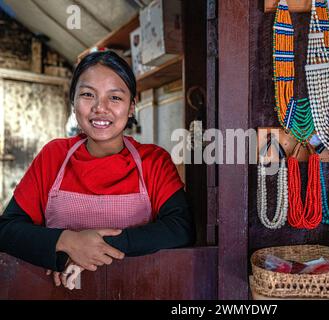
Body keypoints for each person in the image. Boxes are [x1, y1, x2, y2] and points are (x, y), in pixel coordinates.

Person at [0, 51, 195, 289]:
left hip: (138, 290)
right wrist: (67, 242)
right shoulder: (54, 156)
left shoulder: (154, 161)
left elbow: (181, 228)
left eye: (114, 97)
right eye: (87, 95)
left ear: (132, 106)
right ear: (73, 103)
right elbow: (7, 229)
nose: (100, 108)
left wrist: (92, 249)